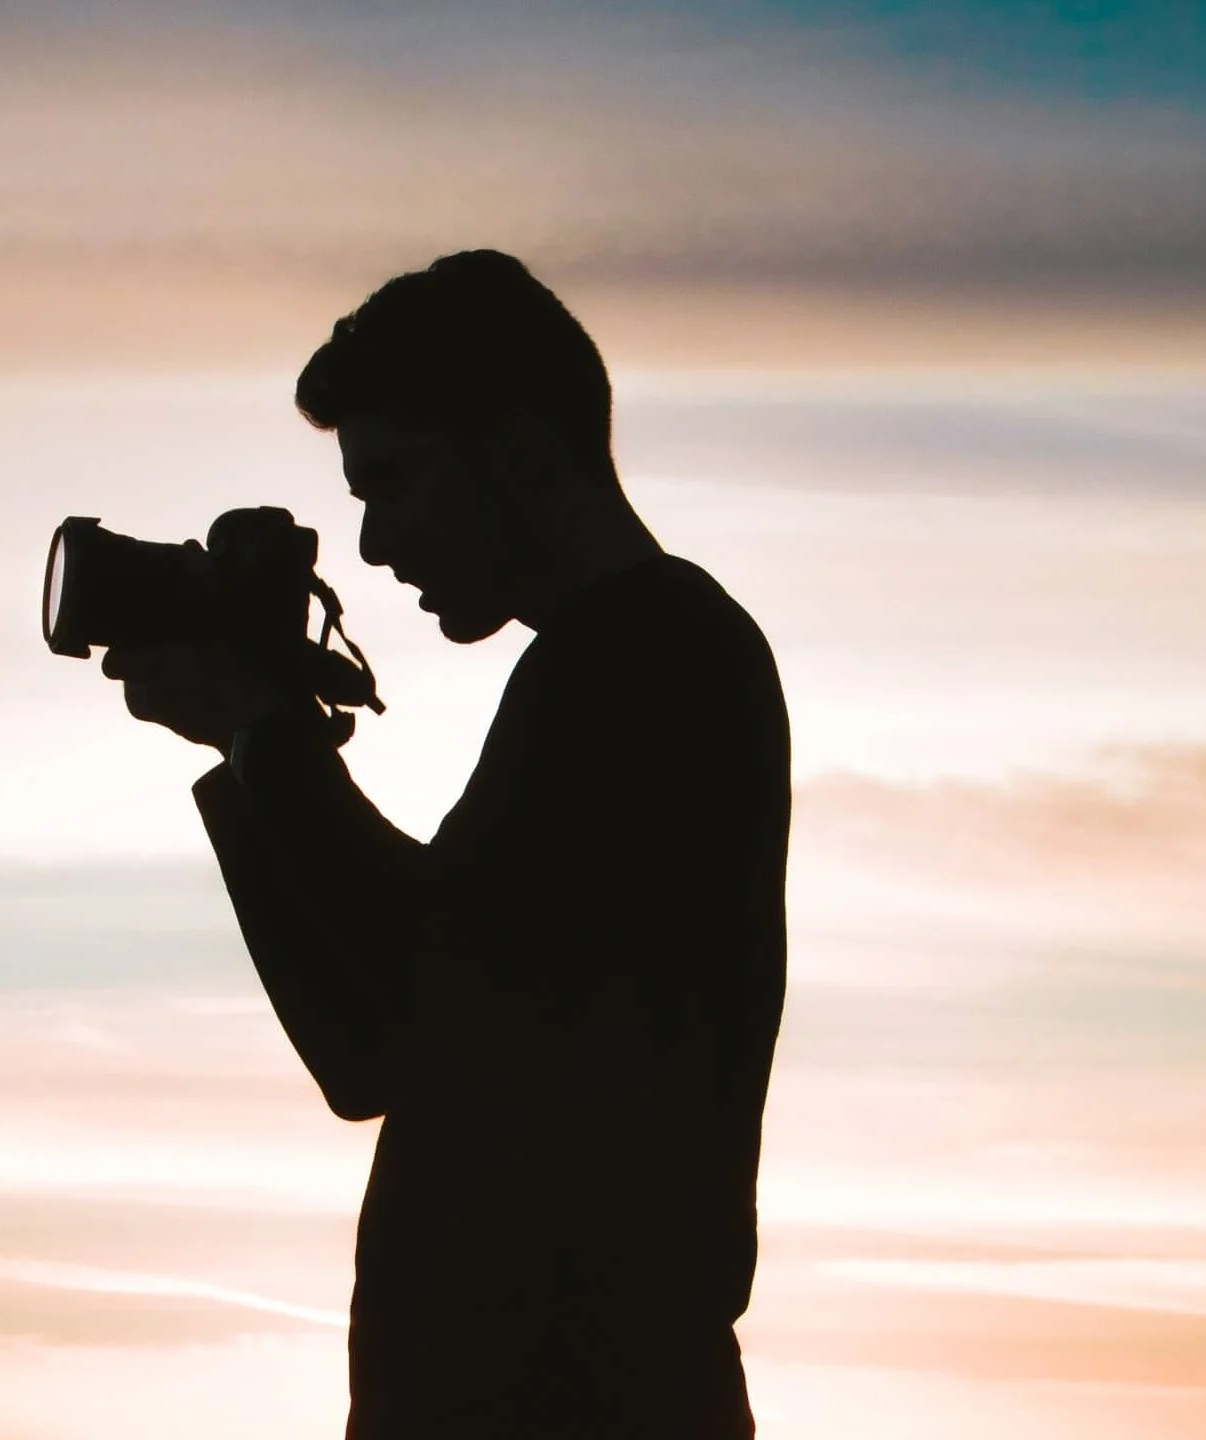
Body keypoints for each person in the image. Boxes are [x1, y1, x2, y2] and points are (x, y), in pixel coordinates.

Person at [102, 250, 789, 1438]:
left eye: (394, 483)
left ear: (521, 449)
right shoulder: (620, 659)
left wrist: (270, 736)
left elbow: (428, 986)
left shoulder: (649, 653)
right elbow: (365, 1051)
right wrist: (246, 752)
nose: (371, 545)